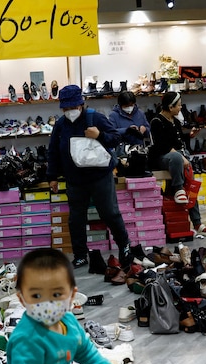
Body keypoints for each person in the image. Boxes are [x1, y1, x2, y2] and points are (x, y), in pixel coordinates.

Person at [48, 84, 145, 268]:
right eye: (66, 108)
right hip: (74, 178)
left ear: (81, 104)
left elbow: (116, 138)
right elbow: (53, 151)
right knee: (76, 218)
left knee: (110, 213)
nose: (70, 111)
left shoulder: (96, 117)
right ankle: (80, 254)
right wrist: (52, 176)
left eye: (73, 107)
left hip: (100, 175)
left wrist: (99, 134)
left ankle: (124, 247)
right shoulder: (61, 124)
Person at [148, 91, 206, 236]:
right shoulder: (156, 121)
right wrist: (179, 155)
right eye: (178, 105)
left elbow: (178, 141)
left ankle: (197, 223)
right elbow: (160, 144)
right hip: (162, 158)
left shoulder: (176, 121)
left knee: (191, 186)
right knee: (177, 158)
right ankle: (178, 188)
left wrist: (189, 136)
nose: (180, 108)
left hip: (176, 157)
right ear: (170, 107)